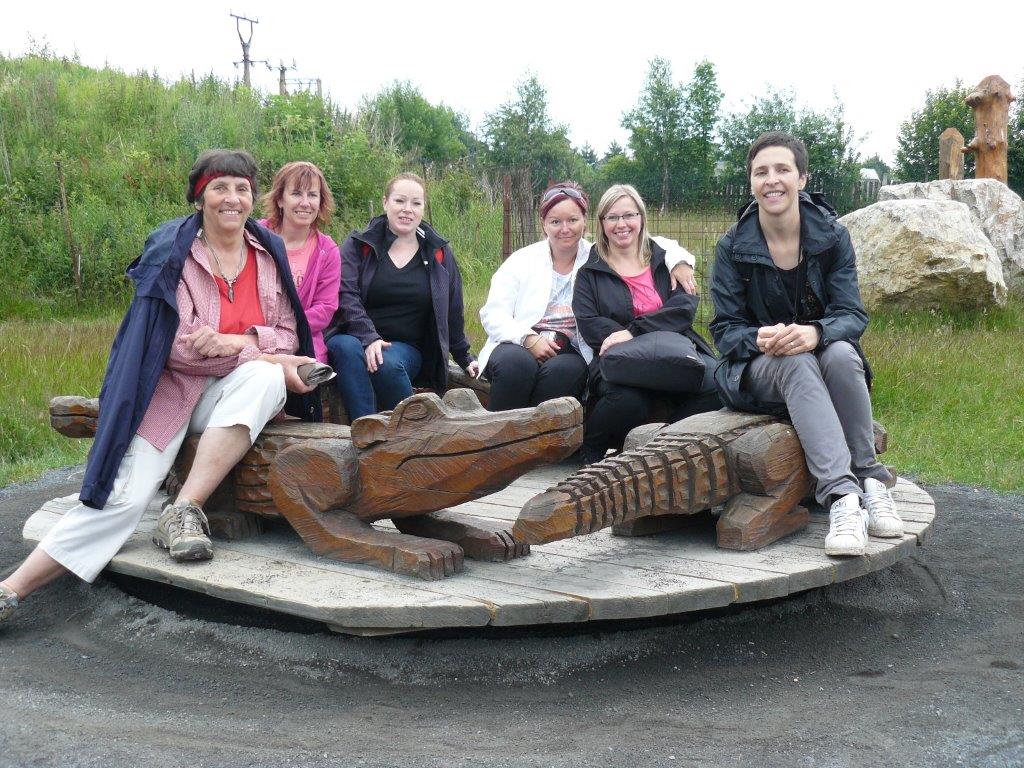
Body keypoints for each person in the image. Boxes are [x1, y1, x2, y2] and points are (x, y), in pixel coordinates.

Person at [0, 149, 318, 625]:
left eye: (242, 189)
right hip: (171, 395)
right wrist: (269, 352)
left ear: (253, 197)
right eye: (219, 188)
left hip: (236, 394)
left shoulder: (267, 255)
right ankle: (10, 590)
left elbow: (289, 334)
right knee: (124, 498)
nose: (232, 198)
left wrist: (236, 343)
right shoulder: (175, 254)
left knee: (267, 377)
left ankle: (184, 508)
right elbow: (179, 350)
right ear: (200, 198)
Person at [709, 131, 903, 557]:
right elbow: (724, 331)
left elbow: (852, 315)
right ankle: (843, 498)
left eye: (782, 169)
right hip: (757, 368)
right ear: (751, 182)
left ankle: (871, 480)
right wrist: (756, 336)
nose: (772, 180)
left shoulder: (832, 238)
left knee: (842, 353)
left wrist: (815, 332)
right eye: (761, 172)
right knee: (796, 363)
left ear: (802, 178)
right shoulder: (731, 247)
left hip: (823, 358)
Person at [573, 184, 721, 464]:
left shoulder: (666, 260)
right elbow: (589, 323)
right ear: (602, 223)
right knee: (629, 400)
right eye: (612, 217)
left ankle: (663, 446)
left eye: (629, 215)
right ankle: (591, 451)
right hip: (617, 359)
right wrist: (637, 335)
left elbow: (683, 309)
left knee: (717, 385)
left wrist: (633, 331)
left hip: (674, 349)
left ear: (641, 218)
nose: (621, 224)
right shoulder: (590, 273)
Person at [324, 172, 477, 421]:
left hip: (406, 347)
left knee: (385, 363)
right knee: (344, 346)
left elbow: (452, 307)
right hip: (355, 336)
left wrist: (464, 355)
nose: (408, 209)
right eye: (400, 201)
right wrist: (369, 337)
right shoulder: (359, 245)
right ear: (385, 203)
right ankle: (364, 428)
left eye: (416, 203)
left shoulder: (438, 252)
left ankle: (415, 432)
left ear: (423, 208)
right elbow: (346, 295)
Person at [259, 161, 340, 363]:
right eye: (296, 194)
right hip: (255, 339)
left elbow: (325, 308)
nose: (305, 203)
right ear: (280, 199)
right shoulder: (255, 236)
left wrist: (286, 328)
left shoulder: (327, 250)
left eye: (312, 195)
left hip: (303, 342)